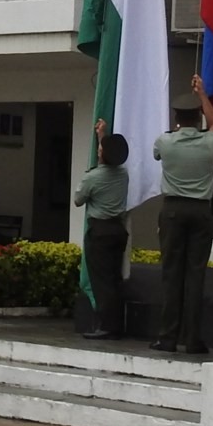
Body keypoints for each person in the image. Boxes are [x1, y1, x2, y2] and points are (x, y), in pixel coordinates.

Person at [154, 78, 213, 355]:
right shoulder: (209, 142)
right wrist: (203, 94)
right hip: (200, 212)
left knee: (172, 274)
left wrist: (176, 131)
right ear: (198, 118)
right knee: (195, 276)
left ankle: (167, 337)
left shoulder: (166, 141)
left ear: (177, 118)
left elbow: (157, 153)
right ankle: (192, 339)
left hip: (172, 211)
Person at [75, 125, 132, 340]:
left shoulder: (94, 177)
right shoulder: (123, 175)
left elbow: (78, 200)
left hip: (99, 231)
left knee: (101, 281)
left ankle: (106, 325)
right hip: (118, 229)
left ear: (102, 155)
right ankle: (116, 323)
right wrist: (102, 137)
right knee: (114, 278)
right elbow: (108, 157)